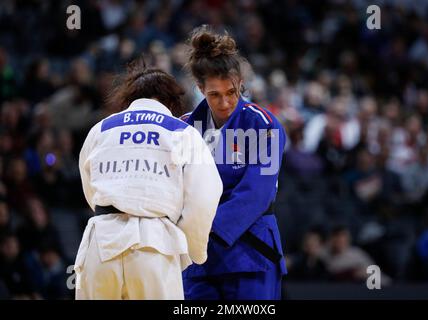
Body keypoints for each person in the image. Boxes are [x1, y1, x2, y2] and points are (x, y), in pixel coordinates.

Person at [74, 58, 223, 300]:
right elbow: (204, 198)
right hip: (155, 247)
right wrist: (192, 250)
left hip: (99, 243)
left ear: (129, 98)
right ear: (172, 102)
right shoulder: (182, 132)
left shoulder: (100, 129)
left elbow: (90, 189)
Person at [181, 25, 287, 300]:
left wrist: (205, 231)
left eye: (231, 91)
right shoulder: (184, 129)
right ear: (200, 88)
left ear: (240, 82)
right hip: (197, 260)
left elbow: (256, 193)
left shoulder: (262, 125)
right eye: (214, 94)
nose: (225, 102)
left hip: (250, 252)